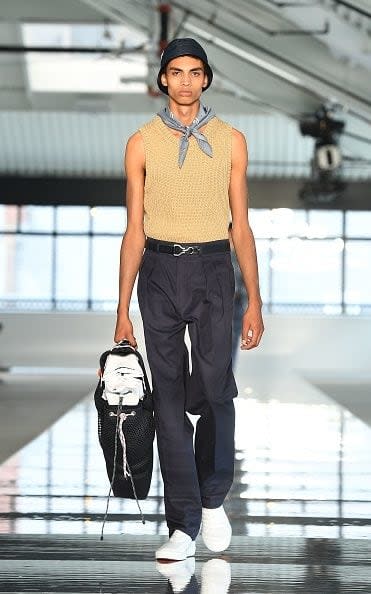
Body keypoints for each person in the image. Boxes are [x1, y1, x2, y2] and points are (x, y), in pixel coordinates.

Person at [114, 37, 264, 561]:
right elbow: (133, 230)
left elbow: (241, 227)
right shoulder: (141, 143)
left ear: (205, 79)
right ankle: (182, 524)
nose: (183, 80)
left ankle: (214, 497)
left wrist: (256, 301)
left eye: (194, 72)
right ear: (162, 79)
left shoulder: (231, 141)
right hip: (157, 269)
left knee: (217, 389)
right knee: (169, 401)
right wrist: (122, 309)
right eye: (174, 72)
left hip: (213, 270)